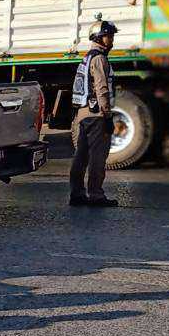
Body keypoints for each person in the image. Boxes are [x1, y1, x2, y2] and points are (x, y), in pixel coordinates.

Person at [70, 19, 119, 208]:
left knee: (81, 156)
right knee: (98, 156)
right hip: (97, 114)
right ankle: (96, 195)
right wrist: (107, 116)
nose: (112, 40)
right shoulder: (99, 58)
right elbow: (102, 88)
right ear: (99, 37)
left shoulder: (87, 57)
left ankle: (77, 194)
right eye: (108, 36)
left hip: (83, 114)